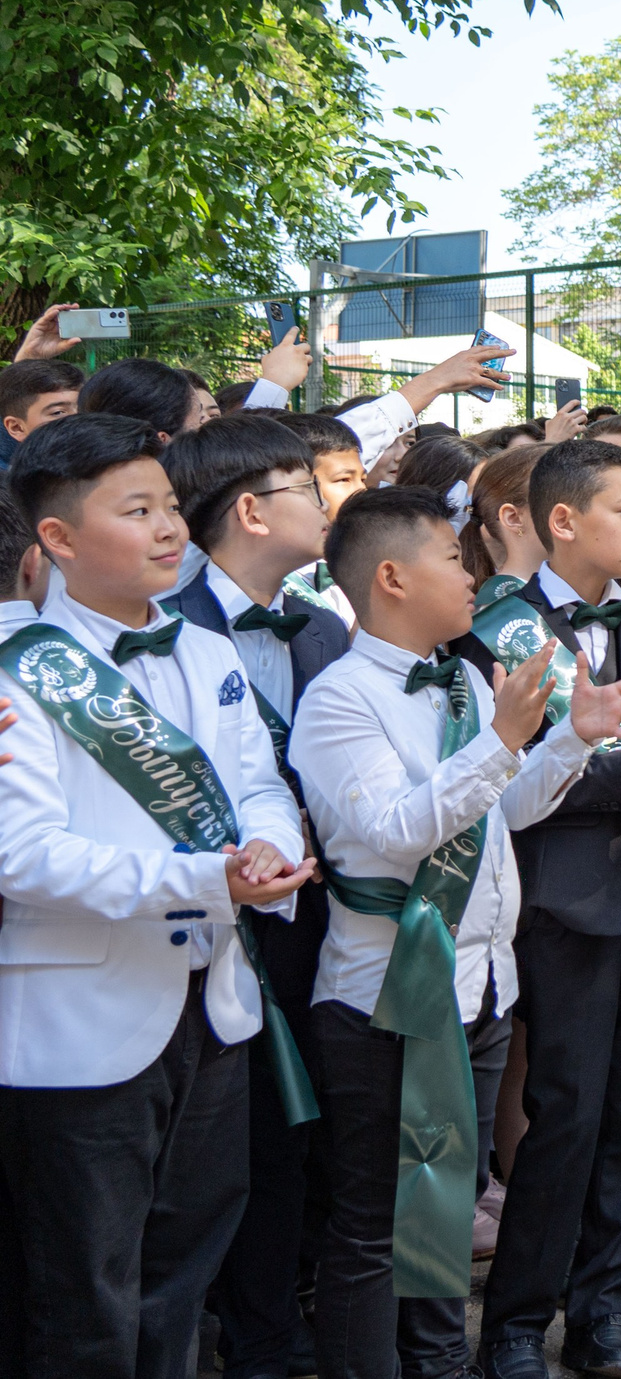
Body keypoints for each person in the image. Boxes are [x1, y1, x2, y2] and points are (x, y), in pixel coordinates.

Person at [291, 487, 621, 1379]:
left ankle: (440, 1364)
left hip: (481, 981)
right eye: (454, 556)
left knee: (446, 1205)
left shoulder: (459, 677)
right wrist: (503, 738)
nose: (471, 571)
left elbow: (506, 807)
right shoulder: (340, 699)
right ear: (392, 577)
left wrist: (567, 740)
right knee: (377, 1221)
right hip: (388, 994)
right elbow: (401, 830)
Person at [0, 415, 312, 1379]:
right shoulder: (23, 669)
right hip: (80, 1021)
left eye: (171, 506)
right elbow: (23, 855)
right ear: (56, 539)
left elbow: (260, 780)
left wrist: (271, 843)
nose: (170, 528)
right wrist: (200, 876)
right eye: (137, 511)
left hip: (214, 1007)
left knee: (184, 1276)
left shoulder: (208, 653)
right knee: (84, 1294)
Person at [456, 439, 621, 1379]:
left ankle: (605, 1308)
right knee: (563, 1113)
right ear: (562, 520)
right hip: (563, 901)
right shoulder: (503, 625)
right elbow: (508, 778)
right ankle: (518, 1322)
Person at [162, 415, 355, 1376]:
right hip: (212, 916)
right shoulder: (164, 632)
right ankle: (250, 1336)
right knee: (238, 1140)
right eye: (305, 490)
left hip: (321, 909)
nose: (325, 506)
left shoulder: (321, 622)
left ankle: (288, 1312)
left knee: (312, 1124)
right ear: (248, 508)